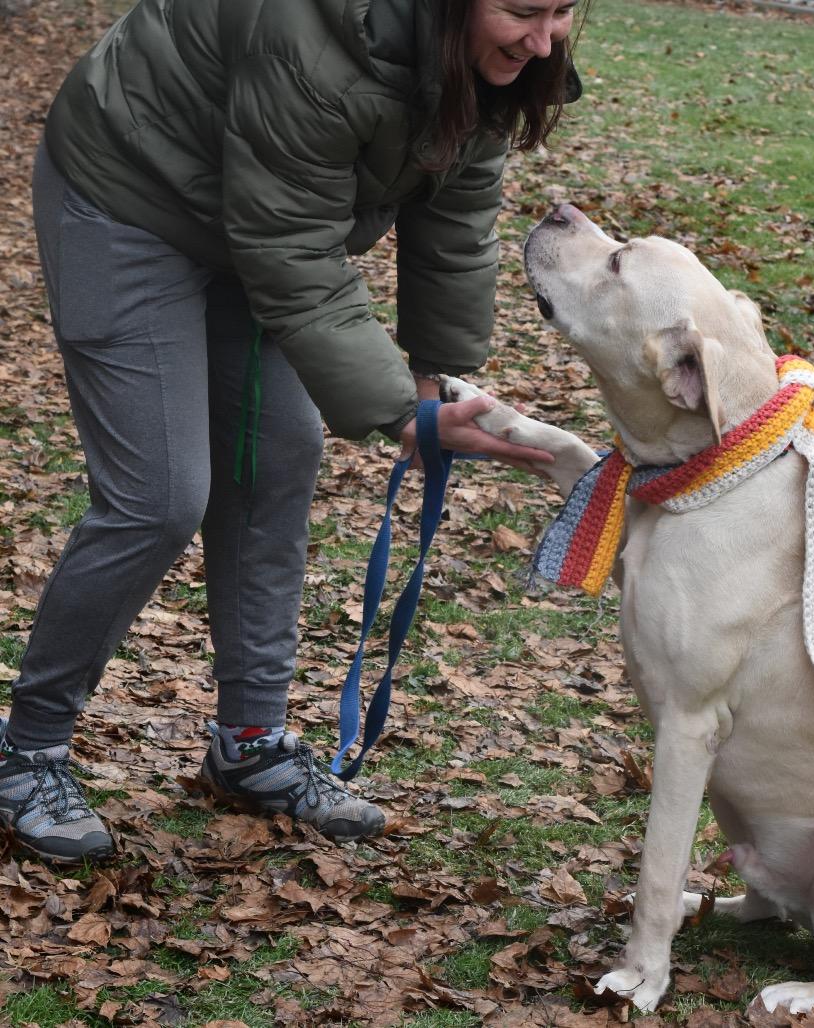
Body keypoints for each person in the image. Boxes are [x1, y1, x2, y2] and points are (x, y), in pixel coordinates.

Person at [0, 0, 589, 866]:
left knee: (278, 458)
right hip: (130, 191)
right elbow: (292, 248)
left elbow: (457, 214)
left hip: (254, 213)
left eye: (564, 10)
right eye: (522, 11)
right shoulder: (316, 38)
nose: (544, 41)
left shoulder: (482, 56)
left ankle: (250, 740)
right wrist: (396, 409)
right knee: (160, 496)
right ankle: (28, 747)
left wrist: (439, 373)